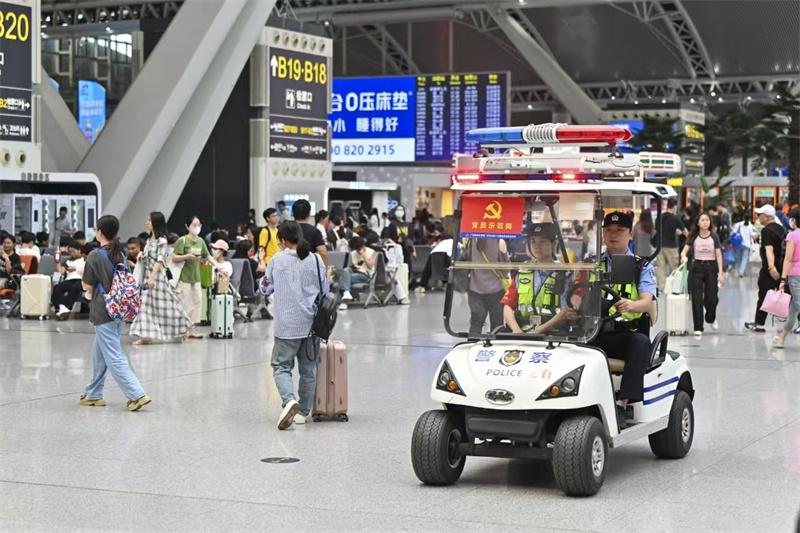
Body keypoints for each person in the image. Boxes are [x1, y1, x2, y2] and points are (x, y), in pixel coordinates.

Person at [589, 212, 656, 429]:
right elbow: (578, 295)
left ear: (630, 234)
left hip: (625, 334)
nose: (613, 235)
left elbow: (647, 301)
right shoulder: (592, 264)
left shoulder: (641, 266)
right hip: (593, 331)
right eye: (608, 230)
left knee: (641, 343)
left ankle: (622, 403)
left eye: (619, 231)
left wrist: (631, 305)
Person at [80, 214, 150, 411]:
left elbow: (87, 285)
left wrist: (86, 288)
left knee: (113, 355)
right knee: (99, 354)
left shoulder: (95, 255)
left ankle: (136, 394)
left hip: (103, 310)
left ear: (100, 232)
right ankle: (93, 394)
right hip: (120, 309)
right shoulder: (121, 253)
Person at [263, 221, 328, 430]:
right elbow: (325, 290)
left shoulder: (277, 260)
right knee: (308, 369)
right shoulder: (316, 259)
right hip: (311, 325)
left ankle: (289, 400)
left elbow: (266, 288)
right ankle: (303, 412)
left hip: (286, 325)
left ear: (282, 240)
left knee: (281, 366)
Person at [130, 212, 194, 345]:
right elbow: (149, 256)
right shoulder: (149, 240)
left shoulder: (162, 241)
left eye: (149, 220)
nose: (147, 222)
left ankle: (182, 327)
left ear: (155, 223)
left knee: (166, 305)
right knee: (145, 305)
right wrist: (141, 254)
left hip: (157, 278)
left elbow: (160, 260)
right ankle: (145, 336)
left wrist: (152, 277)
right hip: (148, 277)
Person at [501, 224, 571, 335]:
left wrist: (539, 330)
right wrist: (516, 329)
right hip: (521, 333)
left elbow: (565, 310)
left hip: (552, 335)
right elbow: (508, 305)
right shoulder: (522, 272)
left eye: (542, 241)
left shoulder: (563, 275)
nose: (537, 246)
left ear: (553, 244)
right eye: (533, 242)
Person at [680, 213, 724, 336]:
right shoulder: (693, 236)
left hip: (711, 267)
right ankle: (698, 327)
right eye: (703, 220)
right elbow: (684, 252)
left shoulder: (714, 237)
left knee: (712, 297)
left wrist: (721, 273)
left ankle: (711, 317)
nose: (705, 222)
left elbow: (719, 255)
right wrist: (683, 257)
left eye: (707, 220)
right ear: (698, 223)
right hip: (697, 267)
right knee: (696, 298)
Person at [746, 205, 786, 333]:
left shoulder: (766, 231)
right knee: (789, 295)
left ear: (767, 216)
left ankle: (759, 324)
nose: (758, 217)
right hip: (783, 267)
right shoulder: (781, 229)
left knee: (763, 295)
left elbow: (769, 250)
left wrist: (771, 267)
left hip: (770, 269)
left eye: (760, 215)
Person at [171, 216, 210, 338]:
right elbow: (174, 257)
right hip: (184, 278)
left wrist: (218, 265)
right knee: (185, 303)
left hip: (196, 278)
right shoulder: (182, 240)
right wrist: (187, 256)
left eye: (199, 225)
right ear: (187, 226)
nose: (197, 227)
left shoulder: (201, 241)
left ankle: (193, 330)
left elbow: (207, 255)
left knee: (197, 303)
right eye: (194, 225)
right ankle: (183, 330)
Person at [464, 238, 508, 337]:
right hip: (496, 289)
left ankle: (473, 344)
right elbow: (505, 270)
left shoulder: (472, 240)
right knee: (497, 327)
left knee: (476, 324)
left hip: (475, 289)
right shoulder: (499, 241)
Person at [773, 209, 800, 347]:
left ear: (794, 220)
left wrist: (782, 280)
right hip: (796, 276)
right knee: (794, 309)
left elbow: (788, 259)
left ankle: (781, 337)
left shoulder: (792, 236)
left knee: (797, 305)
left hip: (795, 275)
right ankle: (781, 337)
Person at [654, 199, 686, 291]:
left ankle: (661, 287)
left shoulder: (659, 217)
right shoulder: (675, 218)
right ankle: (675, 287)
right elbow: (684, 231)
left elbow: (657, 229)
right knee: (674, 267)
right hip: (671, 246)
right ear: (674, 207)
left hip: (659, 246)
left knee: (660, 267)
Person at [52, 239, 86, 320]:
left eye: (73, 251)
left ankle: (67, 308)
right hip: (69, 280)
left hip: (81, 279)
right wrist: (57, 262)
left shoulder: (85, 259)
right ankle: (60, 307)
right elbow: (61, 271)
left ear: (79, 250)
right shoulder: (68, 261)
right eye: (70, 252)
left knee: (74, 288)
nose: (72, 254)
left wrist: (76, 269)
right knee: (57, 288)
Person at [339, 236, 377, 303]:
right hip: (356, 272)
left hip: (366, 275)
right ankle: (346, 293)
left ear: (363, 245)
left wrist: (364, 255)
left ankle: (345, 295)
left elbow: (370, 266)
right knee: (345, 270)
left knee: (343, 277)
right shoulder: (353, 253)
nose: (358, 251)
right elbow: (354, 267)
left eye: (359, 248)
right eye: (356, 249)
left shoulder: (372, 252)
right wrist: (354, 267)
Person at [292, 199, 328, 265]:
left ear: (293, 213)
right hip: (308, 266)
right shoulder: (315, 231)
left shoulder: (287, 229)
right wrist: (325, 268)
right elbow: (323, 252)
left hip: (289, 266)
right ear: (309, 213)